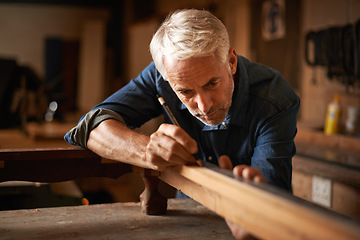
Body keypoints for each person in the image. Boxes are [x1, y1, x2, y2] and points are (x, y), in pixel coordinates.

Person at [65, 9, 299, 239]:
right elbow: (92, 126)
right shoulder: (163, 74)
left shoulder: (275, 98)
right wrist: (147, 151)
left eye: (212, 83)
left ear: (231, 61)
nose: (204, 106)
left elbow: (270, 205)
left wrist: (253, 219)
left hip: (253, 220)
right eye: (185, 91)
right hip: (189, 216)